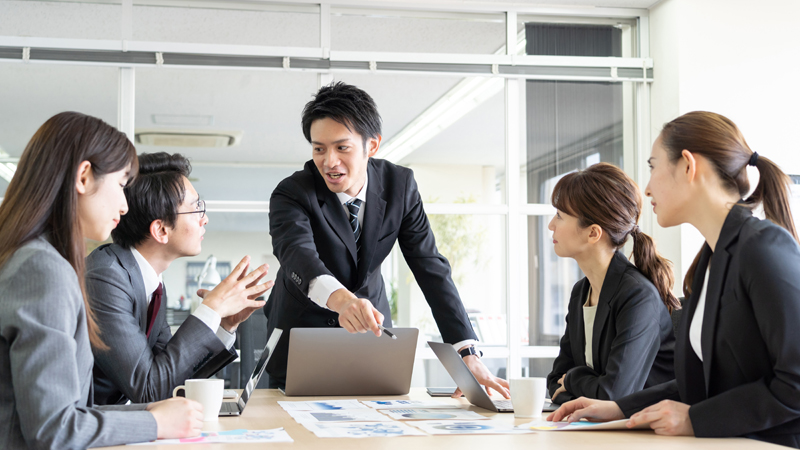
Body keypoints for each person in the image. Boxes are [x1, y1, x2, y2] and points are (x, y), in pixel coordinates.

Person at [548, 111, 800, 448]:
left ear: (687, 165)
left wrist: (696, 418)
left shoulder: (763, 247)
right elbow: (700, 384)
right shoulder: (708, 263)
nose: (647, 186)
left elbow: (795, 382)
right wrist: (618, 407)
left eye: (653, 167)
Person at [264, 81, 509, 397]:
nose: (329, 162)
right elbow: (297, 254)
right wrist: (343, 301)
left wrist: (467, 353)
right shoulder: (292, 192)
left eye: (342, 147)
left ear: (372, 146)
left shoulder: (400, 186)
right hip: (301, 335)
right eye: (318, 148)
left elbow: (430, 267)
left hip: (371, 336)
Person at [0, 112, 203, 448]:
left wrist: (151, 413)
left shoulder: (36, 258)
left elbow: (69, 412)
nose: (125, 205)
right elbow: (55, 429)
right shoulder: (42, 269)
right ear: (84, 177)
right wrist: (154, 422)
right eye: (122, 186)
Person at [85, 152, 273, 405]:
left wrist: (223, 324)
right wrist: (210, 309)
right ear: (161, 230)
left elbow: (170, 378)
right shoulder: (106, 278)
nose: (204, 218)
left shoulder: (151, 282)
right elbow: (148, 389)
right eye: (196, 208)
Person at [546, 163, 676, 404]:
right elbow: (554, 382)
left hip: (649, 438)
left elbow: (613, 395)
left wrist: (573, 381)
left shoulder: (637, 296)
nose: (551, 225)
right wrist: (584, 384)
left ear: (593, 233)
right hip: (603, 431)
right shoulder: (581, 293)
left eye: (560, 216)